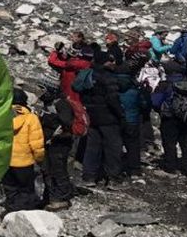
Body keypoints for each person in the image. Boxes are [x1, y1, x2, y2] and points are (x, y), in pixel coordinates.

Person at [81, 50, 126, 186]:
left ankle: (89, 176)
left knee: (92, 147)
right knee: (113, 148)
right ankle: (113, 178)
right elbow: (112, 99)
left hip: (92, 116)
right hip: (108, 117)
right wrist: (121, 114)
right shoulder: (108, 77)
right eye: (110, 60)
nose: (113, 63)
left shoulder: (89, 74)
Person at [3, 89, 45, 212]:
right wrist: (39, 159)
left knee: (10, 188)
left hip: (5, 160)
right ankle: (25, 212)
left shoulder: (2, 116)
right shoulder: (31, 118)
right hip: (24, 162)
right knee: (26, 190)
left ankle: (11, 211)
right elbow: (36, 143)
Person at [155, 69, 187, 178]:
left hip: (170, 118)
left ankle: (171, 168)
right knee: (186, 143)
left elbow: (155, 101)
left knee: (169, 143)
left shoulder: (165, 84)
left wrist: (160, 110)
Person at [39, 88, 76, 210]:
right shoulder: (52, 104)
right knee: (48, 170)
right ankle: (51, 196)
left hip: (60, 143)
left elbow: (66, 122)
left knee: (58, 170)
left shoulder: (62, 104)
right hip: (51, 142)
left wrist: (50, 117)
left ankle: (62, 198)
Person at [117, 70, 148, 179]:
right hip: (132, 121)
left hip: (117, 121)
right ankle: (134, 170)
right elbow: (144, 104)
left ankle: (116, 169)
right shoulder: (135, 91)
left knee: (115, 145)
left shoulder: (113, 90)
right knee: (133, 146)